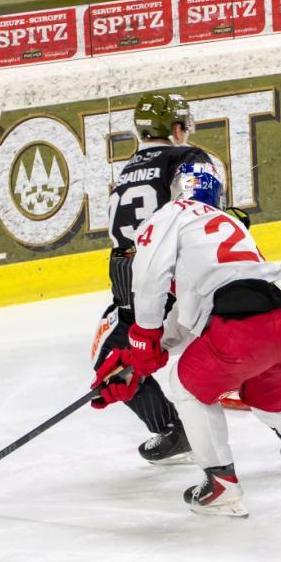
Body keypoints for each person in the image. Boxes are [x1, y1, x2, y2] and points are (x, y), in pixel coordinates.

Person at [92, 171, 281, 517]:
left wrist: (143, 337)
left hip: (242, 330)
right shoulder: (226, 224)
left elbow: (149, 276)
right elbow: (190, 311)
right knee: (276, 407)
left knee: (187, 386)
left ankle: (221, 484)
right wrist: (141, 358)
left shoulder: (170, 216)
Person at [90, 93, 213, 465]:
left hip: (130, 290)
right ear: (177, 128)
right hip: (172, 284)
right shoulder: (188, 157)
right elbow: (205, 213)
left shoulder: (126, 172)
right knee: (233, 349)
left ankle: (169, 428)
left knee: (109, 364)